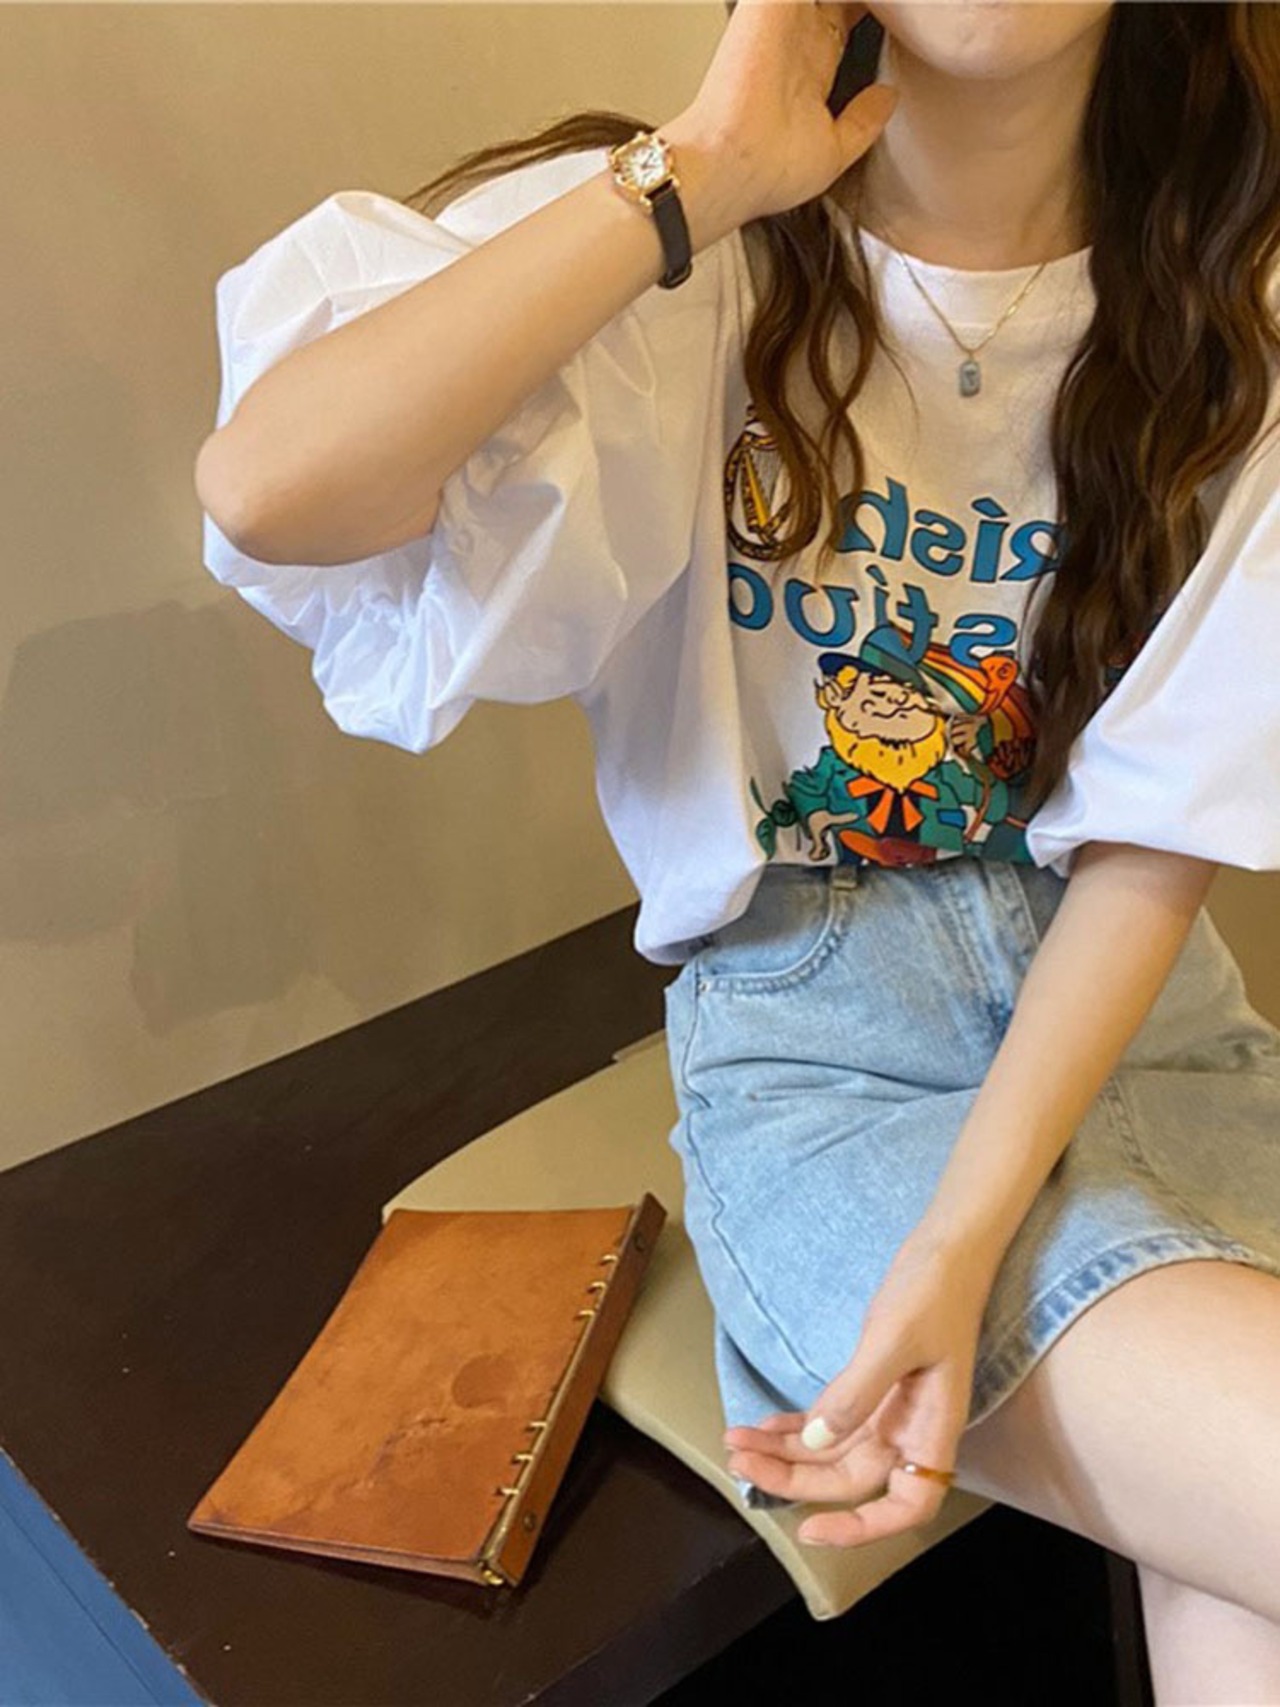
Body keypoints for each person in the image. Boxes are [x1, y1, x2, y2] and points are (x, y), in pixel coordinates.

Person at [195, 1, 1280, 1691]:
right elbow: (270, 490)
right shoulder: (681, 255)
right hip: (832, 1062)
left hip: (1150, 1025)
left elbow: (1159, 828)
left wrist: (963, 1240)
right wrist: (696, 174)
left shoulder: (1229, 293)